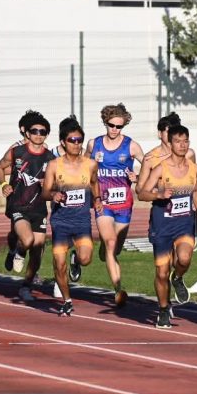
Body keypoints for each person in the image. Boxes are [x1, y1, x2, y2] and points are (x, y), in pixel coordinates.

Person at [138, 124, 197, 329]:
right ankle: (163, 309)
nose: (182, 145)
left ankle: (178, 277)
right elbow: (142, 193)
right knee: (161, 271)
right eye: (178, 141)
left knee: (184, 258)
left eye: (185, 141)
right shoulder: (160, 168)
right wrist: (159, 194)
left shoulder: (194, 168)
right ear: (171, 143)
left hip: (184, 223)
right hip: (162, 225)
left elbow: (196, 190)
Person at [42, 116, 103, 317]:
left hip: (82, 221)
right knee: (59, 263)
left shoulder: (91, 164)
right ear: (63, 142)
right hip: (60, 221)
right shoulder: (54, 165)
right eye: (72, 140)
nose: (76, 144)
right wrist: (53, 194)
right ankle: (67, 300)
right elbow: (44, 192)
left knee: (86, 259)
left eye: (79, 140)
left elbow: (94, 183)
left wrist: (97, 199)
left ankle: (76, 259)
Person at [86, 103, 144, 307]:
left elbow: (150, 167)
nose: (115, 130)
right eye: (111, 125)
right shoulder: (94, 144)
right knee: (111, 243)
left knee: (113, 249)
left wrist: (138, 177)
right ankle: (118, 289)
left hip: (124, 205)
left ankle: (105, 250)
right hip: (103, 203)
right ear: (105, 122)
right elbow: (83, 167)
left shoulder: (132, 146)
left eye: (119, 127)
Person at [0, 110, 55, 303]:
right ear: (27, 132)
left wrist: (49, 184)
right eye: (35, 131)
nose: (38, 135)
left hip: (39, 208)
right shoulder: (17, 151)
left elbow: (56, 182)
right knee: (27, 240)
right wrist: (4, 184)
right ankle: (18, 252)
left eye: (42, 132)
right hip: (18, 204)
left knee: (38, 250)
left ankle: (26, 286)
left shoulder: (50, 157)